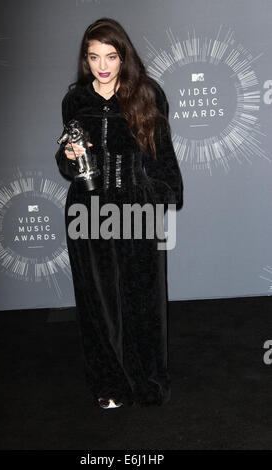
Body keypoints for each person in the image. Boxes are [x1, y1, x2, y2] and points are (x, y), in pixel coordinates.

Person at [55, 17, 183, 409]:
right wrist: (70, 156)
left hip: (136, 209)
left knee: (144, 300)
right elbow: (66, 163)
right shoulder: (75, 100)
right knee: (98, 302)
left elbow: (162, 159)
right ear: (86, 60)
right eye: (94, 57)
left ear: (123, 56)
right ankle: (110, 384)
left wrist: (159, 198)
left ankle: (147, 381)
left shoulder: (148, 94)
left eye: (111, 56)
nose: (103, 65)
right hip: (87, 211)